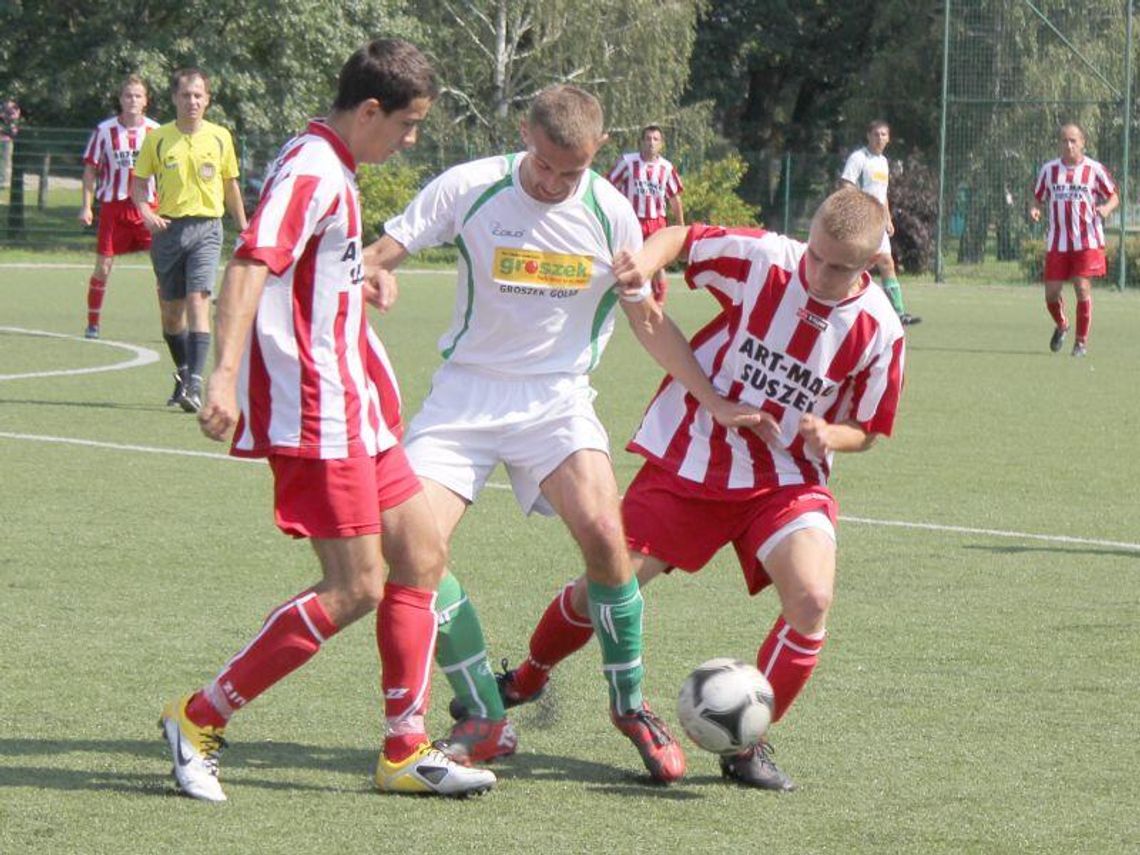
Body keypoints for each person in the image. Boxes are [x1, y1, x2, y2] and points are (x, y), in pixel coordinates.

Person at [365, 84, 758, 785]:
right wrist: (371, 274)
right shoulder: (471, 186)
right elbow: (382, 250)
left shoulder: (611, 214)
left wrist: (714, 401)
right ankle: (485, 713)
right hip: (464, 396)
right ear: (526, 133)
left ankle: (630, 707)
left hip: (557, 401)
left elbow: (647, 321)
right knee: (411, 549)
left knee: (608, 539)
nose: (551, 182)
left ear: (597, 152)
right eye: (544, 164)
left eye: (569, 170)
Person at [483, 187, 907, 792]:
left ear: (871, 263)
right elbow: (682, 237)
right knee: (608, 584)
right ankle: (529, 676)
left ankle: (746, 745)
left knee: (812, 598)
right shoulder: (767, 258)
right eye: (814, 254)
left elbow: (869, 430)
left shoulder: (880, 329)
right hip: (694, 453)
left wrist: (829, 434)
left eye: (837, 267)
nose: (817, 273)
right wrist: (644, 263)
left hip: (785, 477)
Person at [166, 39, 495, 802]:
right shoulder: (314, 170)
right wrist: (222, 376)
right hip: (319, 410)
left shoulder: (332, 163)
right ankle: (197, 717)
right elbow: (251, 262)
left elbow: (312, 266)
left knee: (422, 556)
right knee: (356, 586)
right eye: (407, 124)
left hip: (359, 406)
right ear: (370, 110)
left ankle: (404, 749)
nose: (411, 139)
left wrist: (361, 276)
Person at [132, 68, 247, 413]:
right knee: (171, 314)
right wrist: (145, 212)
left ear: (207, 100)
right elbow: (139, 183)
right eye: (186, 95)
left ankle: (195, 384)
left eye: (198, 95)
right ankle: (183, 370)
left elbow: (230, 185)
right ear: (174, 98)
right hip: (168, 231)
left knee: (199, 299)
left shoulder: (220, 137)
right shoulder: (158, 138)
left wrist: (244, 227)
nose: (192, 101)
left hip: (207, 228)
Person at [77, 75, 160, 339]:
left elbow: (168, 171)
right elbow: (90, 169)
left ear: (146, 101)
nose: (132, 100)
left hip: (148, 207)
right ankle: (93, 324)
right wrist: (86, 206)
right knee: (103, 267)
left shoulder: (156, 131)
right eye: (128, 95)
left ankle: (170, 327)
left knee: (163, 267)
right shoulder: (104, 131)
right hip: (114, 208)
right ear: (120, 99)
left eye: (138, 95)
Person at [1029, 123, 1118, 357]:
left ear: (1082, 143)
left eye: (1073, 141)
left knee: (1082, 287)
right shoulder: (1049, 170)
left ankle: (1080, 343)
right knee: (1051, 293)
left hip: (1086, 241)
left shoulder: (1094, 169)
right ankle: (1062, 324)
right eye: (1064, 141)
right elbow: (1037, 197)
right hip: (1057, 241)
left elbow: (1114, 196)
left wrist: (1106, 209)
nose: (1068, 145)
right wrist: (1035, 209)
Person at [840, 119, 920, 326]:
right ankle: (840, 304)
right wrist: (860, 208)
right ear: (868, 136)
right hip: (862, 220)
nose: (879, 138)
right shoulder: (859, 158)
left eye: (883, 134)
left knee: (886, 262)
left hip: (878, 221)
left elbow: (881, 193)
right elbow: (847, 185)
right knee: (859, 264)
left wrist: (887, 218)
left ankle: (898, 313)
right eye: (876, 134)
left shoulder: (883, 162)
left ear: (888, 138)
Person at [607, 124, 684, 303]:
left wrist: (681, 225)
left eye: (655, 139)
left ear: (661, 144)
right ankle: (630, 296)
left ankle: (660, 301)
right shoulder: (627, 162)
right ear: (641, 142)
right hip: (632, 220)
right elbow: (609, 187)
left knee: (657, 263)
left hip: (656, 221)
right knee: (627, 259)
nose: (651, 143)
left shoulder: (666, 168)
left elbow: (674, 198)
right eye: (648, 139)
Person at [0, 98, 20, 189]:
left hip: (7, 139)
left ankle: (5, 180)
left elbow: (14, 122)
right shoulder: (3, 110)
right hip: (2, 138)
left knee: (6, 160)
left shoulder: (14, 110)